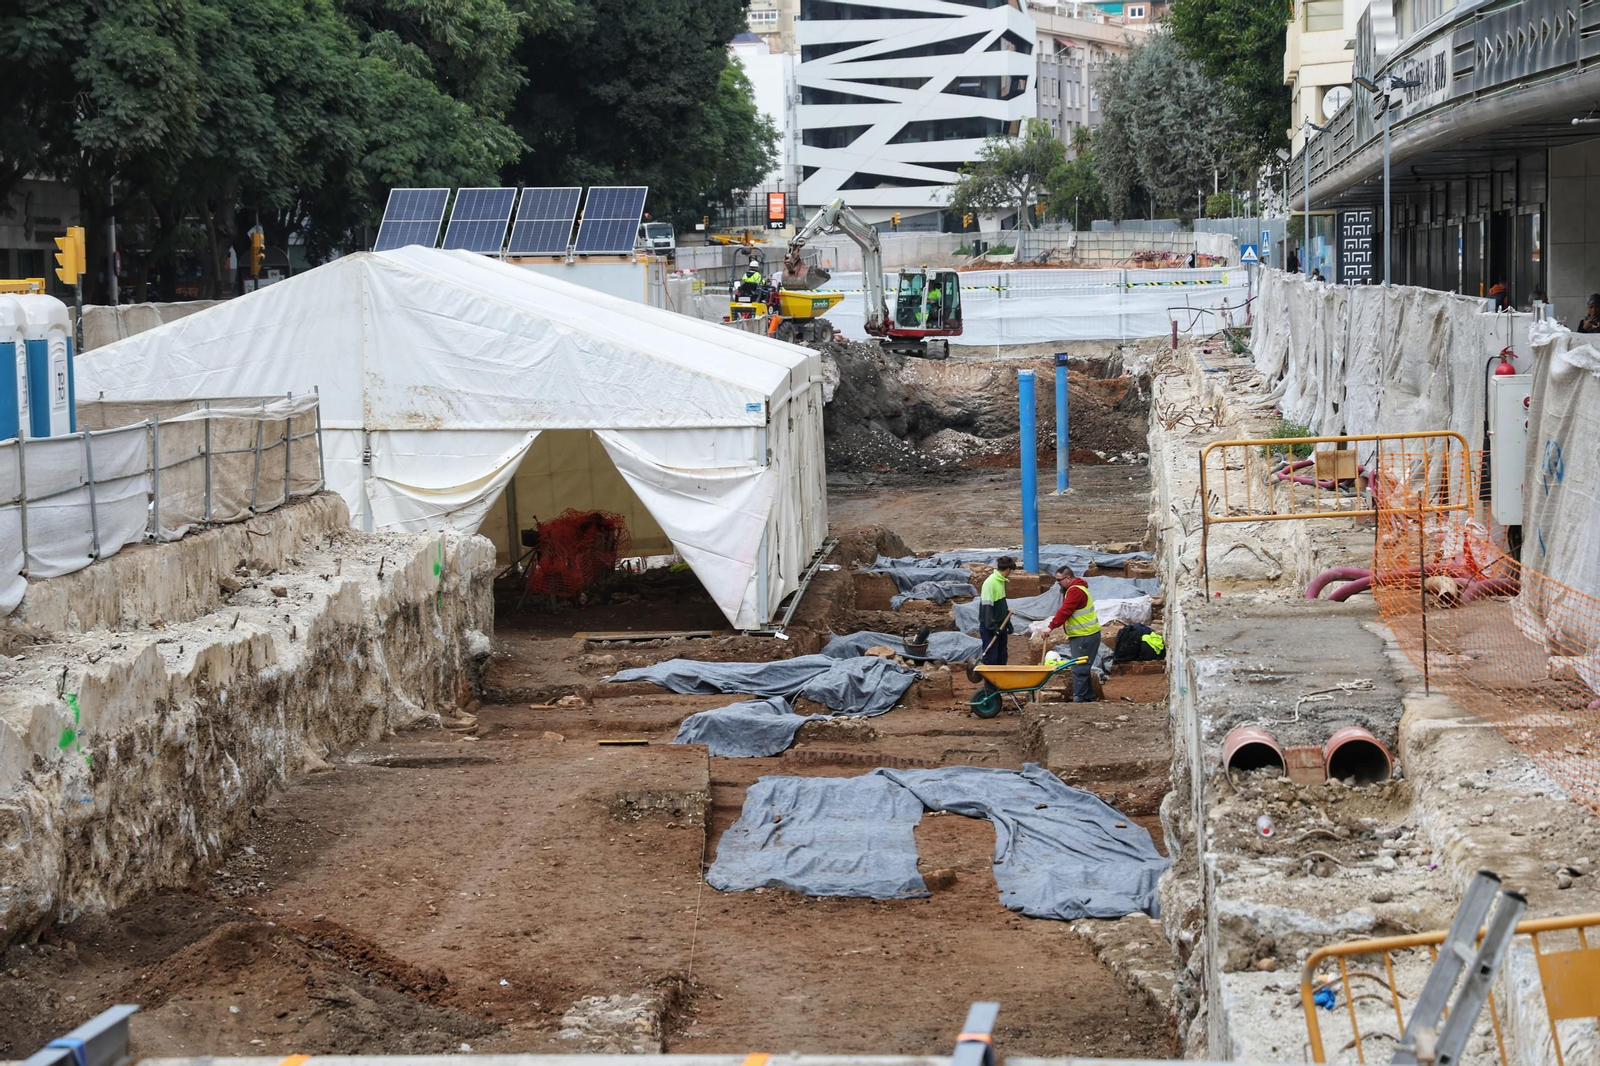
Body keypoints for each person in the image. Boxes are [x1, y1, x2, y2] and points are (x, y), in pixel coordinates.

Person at [1029, 564, 1102, 702]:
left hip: (1084, 635)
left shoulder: (1075, 591)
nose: (1058, 584)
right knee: (1083, 667)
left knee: (1079, 669)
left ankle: (1079, 698)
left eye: (1059, 580)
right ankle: (1088, 697)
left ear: (1068, 578)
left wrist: (1050, 627)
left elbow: (1065, 611)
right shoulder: (1078, 588)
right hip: (1087, 634)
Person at [978, 556, 1016, 666]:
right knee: (991, 658)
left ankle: (1000, 682)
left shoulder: (1001, 581)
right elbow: (987, 608)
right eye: (1012, 571)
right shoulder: (990, 583)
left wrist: (1007, 623)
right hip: (990, 628)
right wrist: (992, 627)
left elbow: (1002, 605)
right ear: (1008, 569)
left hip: (1001, 625)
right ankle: (990, 683)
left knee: (1002, 656)